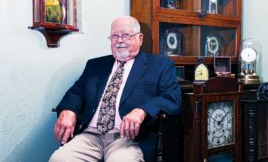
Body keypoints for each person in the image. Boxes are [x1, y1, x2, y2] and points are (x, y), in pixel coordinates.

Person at [49, 15, 181, 162]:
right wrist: (69, 110)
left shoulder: (160, 66)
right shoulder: (95, 65)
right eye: (114, 36)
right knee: (59, 159)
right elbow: (76, 93)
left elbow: (171, 99)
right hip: (90, 136)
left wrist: (141, 111)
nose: (119, 40)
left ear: (140, 38)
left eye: (126, 35)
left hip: (127, 139)